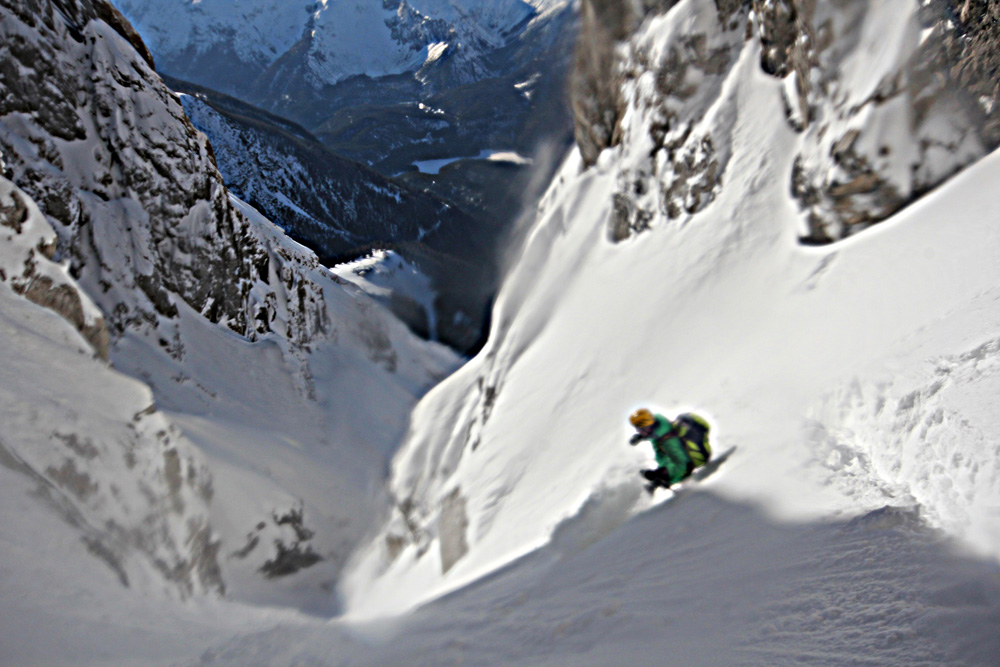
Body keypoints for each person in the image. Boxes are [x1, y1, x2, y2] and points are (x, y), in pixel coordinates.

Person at [628, 408, 695, 489]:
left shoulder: (669, 440)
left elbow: (682, 466)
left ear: (647, 427)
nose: (638, 431)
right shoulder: (656, 429)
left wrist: (659, 475)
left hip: (683, 475)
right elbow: (654, 434)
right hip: (668, 465)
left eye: (640, 429)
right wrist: (641, 437)